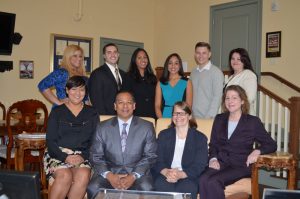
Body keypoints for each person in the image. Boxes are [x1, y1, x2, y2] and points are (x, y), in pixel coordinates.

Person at [199, 85, 277, 199]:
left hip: (240, 165)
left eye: (234, 98)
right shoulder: (219, 119)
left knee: (213, 181)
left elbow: (271, 144)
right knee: (202, 179)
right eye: (227, 98)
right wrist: (213, 159)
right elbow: (213, 144)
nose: (230, 101)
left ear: (242, 101)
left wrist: (257, 151)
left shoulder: (252, 122)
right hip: (221, 161)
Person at [87, 91, 157, 199]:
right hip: (110, 171)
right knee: (93, 187)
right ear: (115, 106)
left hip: (137, 173)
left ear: (134, 106)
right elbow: (96, 155)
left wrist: (133, 176)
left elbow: (150, 155)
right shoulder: (102, 127)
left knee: (146, 187)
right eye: (120, 102)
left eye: (129, 102)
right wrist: (109, 176)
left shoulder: (146, 127)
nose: (125, 106)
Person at [44, 76, 99, 199]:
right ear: (67, 90)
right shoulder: (57, 112)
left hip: (83, 155)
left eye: (82, 90)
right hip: (57, 154)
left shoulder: (92, 112)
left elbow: (95, 141)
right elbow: (50, 141)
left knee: (84, 174)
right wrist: (65, 157)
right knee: (65, 175)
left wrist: (82, 156)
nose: (78, 93)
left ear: (86, 92)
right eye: (74, 89)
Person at [153, 101, 208, 199]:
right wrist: (166, 172)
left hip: (188, 175)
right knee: (161, 185)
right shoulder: (163, 135)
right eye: (175, 113)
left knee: (188, 188)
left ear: (189, 116)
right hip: (166, 173)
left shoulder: (200, 138)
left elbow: (200, 164)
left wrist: (180, 175)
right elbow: (157, 159)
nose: (178, 116)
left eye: (182, 113)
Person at [88, 43, 127, 115]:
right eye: (109, 52)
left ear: (118, 55)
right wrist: (104, 119)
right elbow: (96, 100)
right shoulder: (97, 73)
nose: (113, 55)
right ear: (104, 56)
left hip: (123, 116)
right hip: (106, 117)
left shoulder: (124, 74)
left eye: (115, 52)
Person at [190, 42, 224, 119]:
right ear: (195, 54)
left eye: (204, 53)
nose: (200, 56)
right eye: (198, 53)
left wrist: (209, 117)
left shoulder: (216, 72)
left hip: (209, 118)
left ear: (209, 54)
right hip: (193, 117)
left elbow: (217, 97)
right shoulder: (193, 72)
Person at [155, 53, 192, 118]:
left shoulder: (187, 82)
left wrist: (182, 119)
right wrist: (162, 121)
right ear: (167, 65)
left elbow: (188, 106)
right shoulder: (160, 83)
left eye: (176, 63)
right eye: (170, 63)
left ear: (180, 65)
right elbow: (157, 106)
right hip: (164, 117)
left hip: (181, 117)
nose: (173, 66)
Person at [125, 48, 157, 118]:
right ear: (135, 61)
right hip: (136, 116)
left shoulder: (153, 77)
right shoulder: (128, 77)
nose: (143, 60)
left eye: (145, 57)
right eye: (139, 58)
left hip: (152, 115)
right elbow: (126, 98)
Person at [224, 48, 257, 115]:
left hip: (244, 115)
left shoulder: (249, 74)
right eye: (233, 59)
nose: (235, 61)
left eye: (238, 59)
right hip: (232, 114)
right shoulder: (231, 77)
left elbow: (250, 97)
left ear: (244, 61)